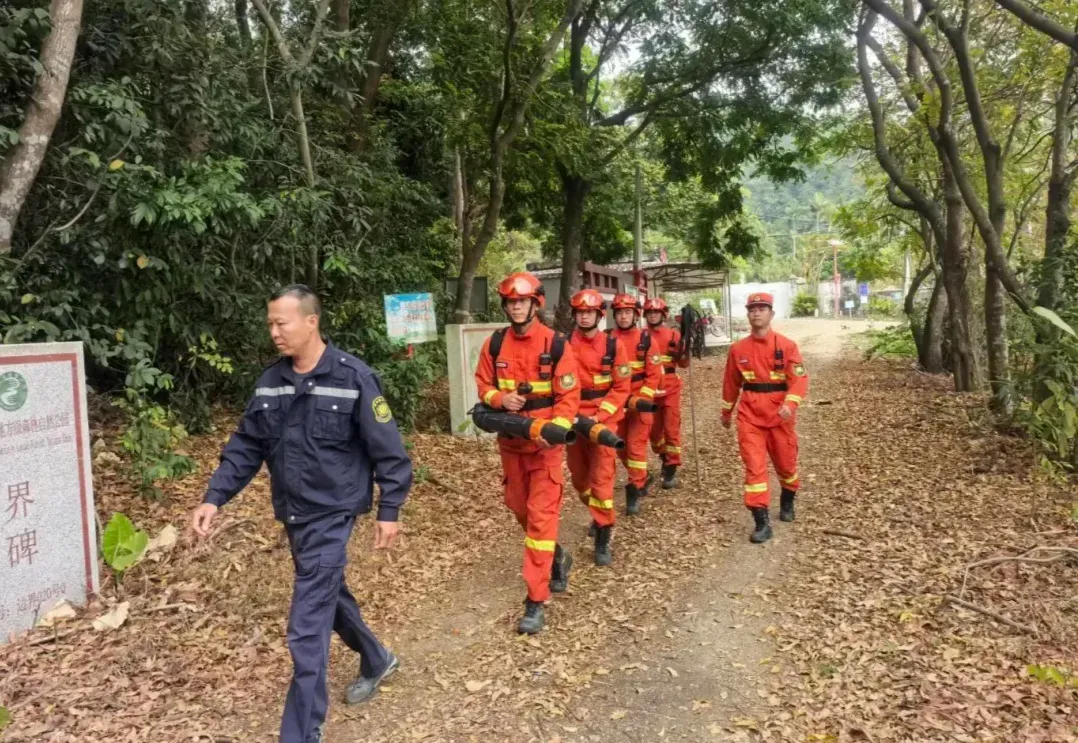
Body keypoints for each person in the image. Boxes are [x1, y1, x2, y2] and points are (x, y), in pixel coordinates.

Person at [189, 285, 412, 743]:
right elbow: (246, 446)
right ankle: (376, 657)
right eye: (270, 323)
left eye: (281, 323)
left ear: (311, 322)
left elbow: (389, 451)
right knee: (328, 594)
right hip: (294, 514)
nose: (274, 332)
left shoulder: (354, 377)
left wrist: (390, 508)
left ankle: (301, 732)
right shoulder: (271, 381)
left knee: (306, 625)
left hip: (333, 513)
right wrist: (213, 497)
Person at [474, 272, 580, 634]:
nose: (516, 306)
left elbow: (568, 397)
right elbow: (483, 386)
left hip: (544, 449)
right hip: (510, 444)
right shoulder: (494, 344)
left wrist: (558, 429)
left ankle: (535, 600)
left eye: (522, 301)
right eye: (510, 302)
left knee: (539, 519)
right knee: (519, 507)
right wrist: (501, 399)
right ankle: (557, 556)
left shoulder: (557, 345)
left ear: (536, 303)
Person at [720, 292, 809, 543]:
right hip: (750, 415)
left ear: (771, 313)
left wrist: (790, 404)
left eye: (762, 308)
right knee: (754, 467)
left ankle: (788, 498)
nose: (756, 312)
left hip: (780, 415)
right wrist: (726, 411)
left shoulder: (787, 345)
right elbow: (731, 383)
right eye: (752, 309)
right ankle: (761, 521)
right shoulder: (738, 349)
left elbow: (799, 379)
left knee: (786, 464)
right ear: (748, 314)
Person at [566, 289, 631, 565]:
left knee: (602, 480)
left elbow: (622, 385)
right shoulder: (564, 345)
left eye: (589, 312)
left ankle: (603, 535)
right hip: (572, 419)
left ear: (599, 315)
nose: (584, 317)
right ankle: (595, 511)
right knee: (580, 479)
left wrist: (603, 413)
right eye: (580, 312)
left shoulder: (614, 346)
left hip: (605, 421)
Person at [609, 293, 662, 515]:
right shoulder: (607, 340)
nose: (623, 317)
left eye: (627, 312)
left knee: (636, 447)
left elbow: (653, 375)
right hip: (615, 403)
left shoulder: (646, 340)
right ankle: (640, 476)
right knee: (619, 446)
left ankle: (635, 489)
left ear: (635, 314)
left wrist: (643, 398)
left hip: (640, 402)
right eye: (619, 313)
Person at [642, 297, 690, 489]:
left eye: (656, 312)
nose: (653, 315)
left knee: (671, 428)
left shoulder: (674, 335)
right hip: (648, 388)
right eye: (650, 312)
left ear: (663, 315)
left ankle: (671, 468)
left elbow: (683, 364)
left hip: (670, 386)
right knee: (653, 432)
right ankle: (663, 455)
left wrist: (687, 349)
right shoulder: (641, 336)